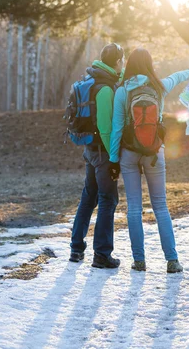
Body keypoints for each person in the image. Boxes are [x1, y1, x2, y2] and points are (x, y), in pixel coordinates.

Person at [109, 48, 189, 273]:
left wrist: (113, 160)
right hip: (154, 152)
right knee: (160, 206)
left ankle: (139, 261)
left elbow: (116, 128)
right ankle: (172, 261)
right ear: (149, 64)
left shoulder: (122, 91)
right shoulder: (159, 86)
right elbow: (178, 77)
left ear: (130, 64)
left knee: (134, 208)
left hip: (129, 153)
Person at [69, 42, 125, 268]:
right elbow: (104, 127)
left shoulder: (93, 79)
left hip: (90, 150)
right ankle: (102, 254)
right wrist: (113, 158)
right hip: (101, 152)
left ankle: (76, 248)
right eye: (122, 60)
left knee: (88, 197)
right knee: (107, 199)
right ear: (117, 62)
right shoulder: (104, 88)